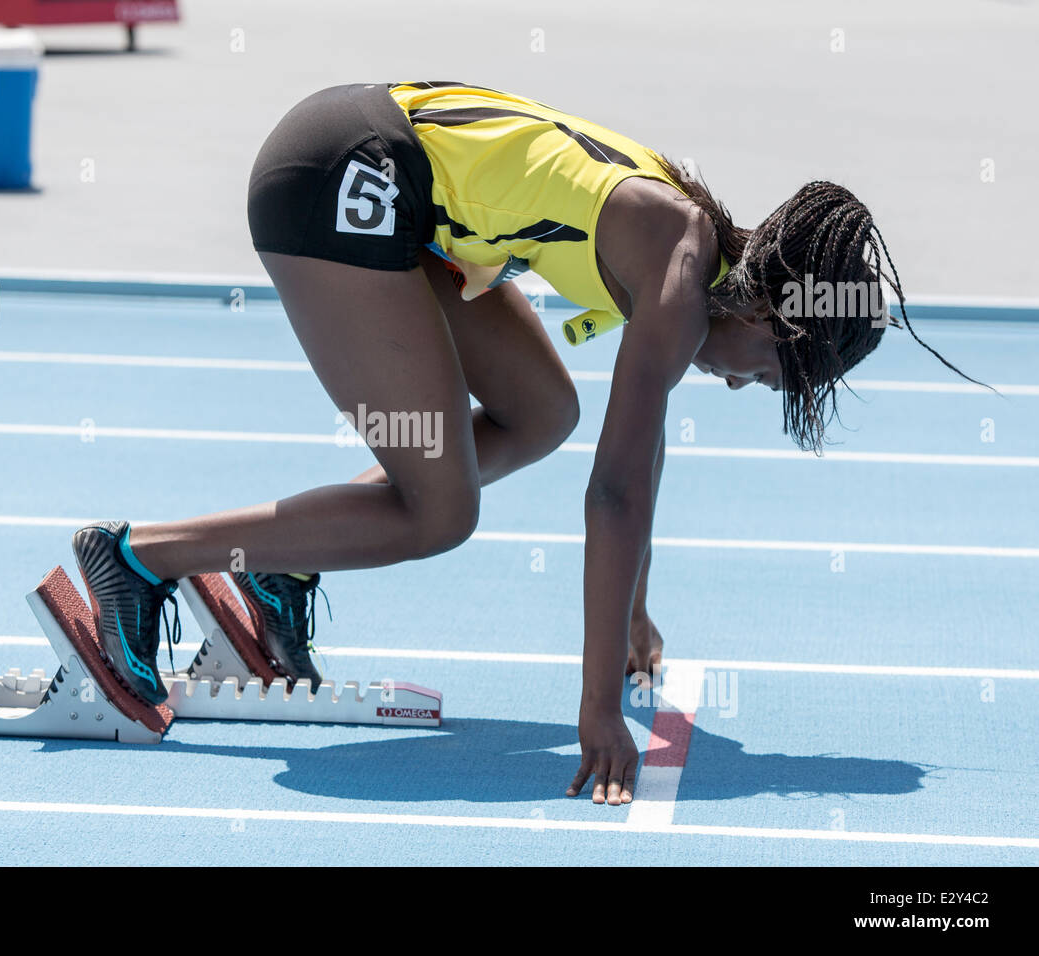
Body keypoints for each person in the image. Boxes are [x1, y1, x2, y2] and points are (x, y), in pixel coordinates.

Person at [71, 81, 986, 806]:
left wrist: (633, 609)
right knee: (440, 512)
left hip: (394, 182)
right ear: (765, 313)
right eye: (766, 373)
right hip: (344, 175)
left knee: (542, 412)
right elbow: (616, 493)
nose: (745, 384)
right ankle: (141, 558)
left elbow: (643, 451)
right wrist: (595, 710)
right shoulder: (677, 273)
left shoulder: (696, 248)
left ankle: (278, 572)